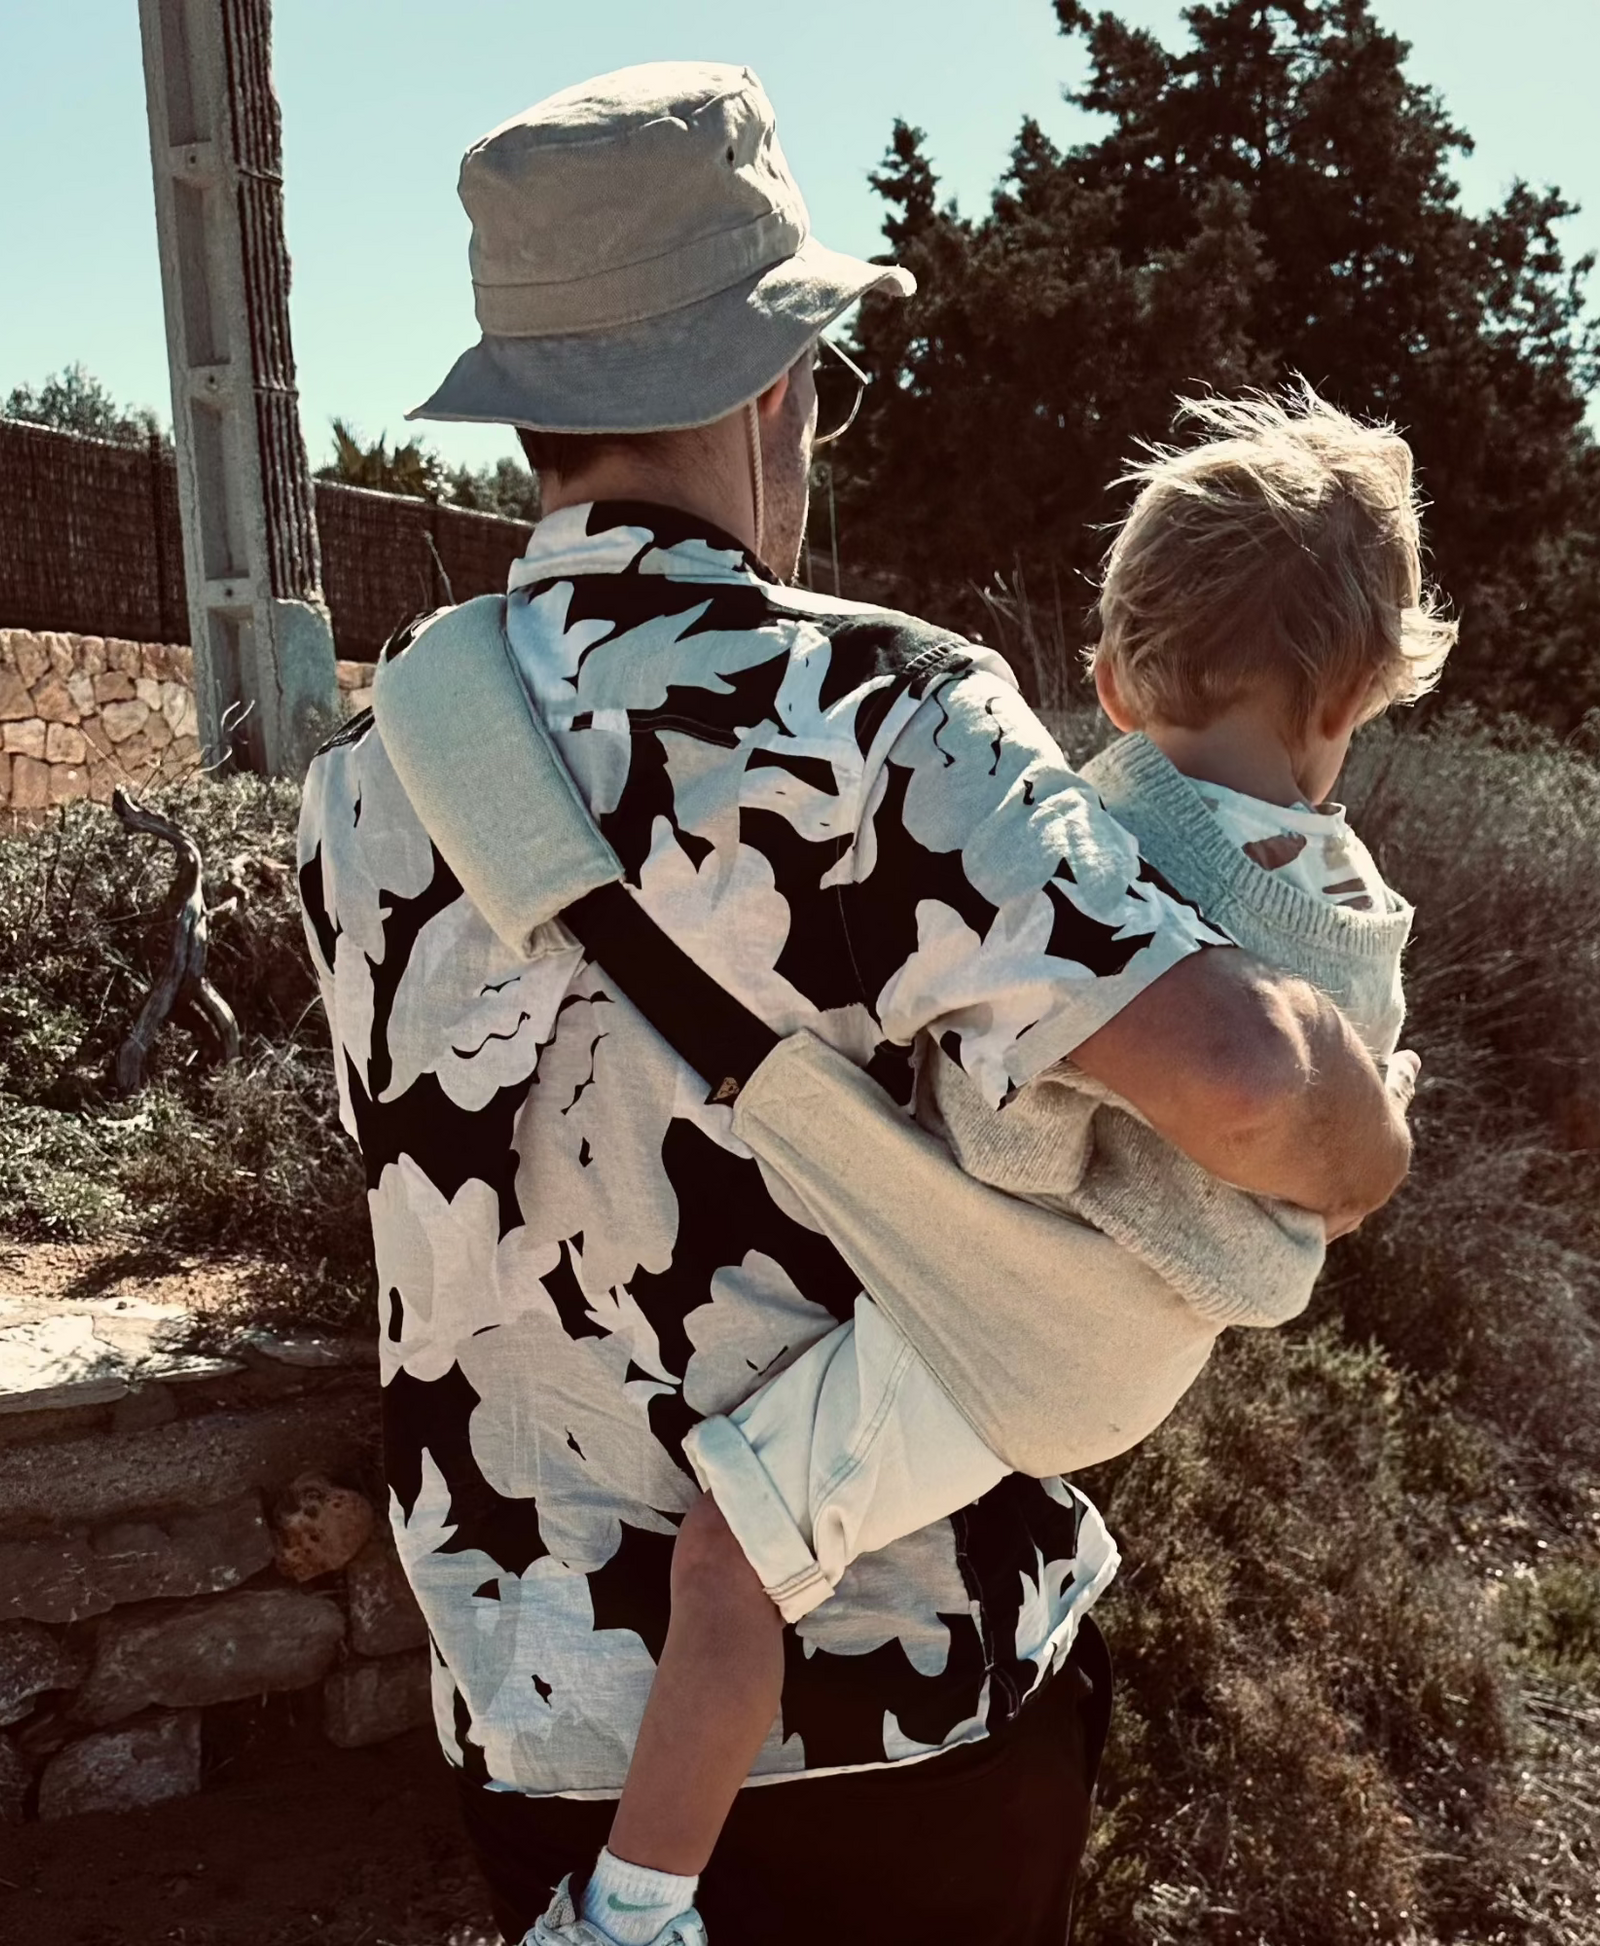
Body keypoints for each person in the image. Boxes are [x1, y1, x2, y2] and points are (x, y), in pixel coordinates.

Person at [295, 61, 1413, 1946]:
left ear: (538, 422)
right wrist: (1368, 1122)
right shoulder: (874, 712)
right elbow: (1232, 1085)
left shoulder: (361, 774)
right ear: (766, 383)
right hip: (887, 1702)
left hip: (526, 1698)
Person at [586, 387, 1446, 1946]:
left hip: (999, 1340)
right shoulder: (1352, 917)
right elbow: (1334, 1141)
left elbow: (1010, 1136)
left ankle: (625, 1914)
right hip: (1135, 1344)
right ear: (1354, 699)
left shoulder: (1093, 843)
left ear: (1112, 674)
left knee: (727, 1560)